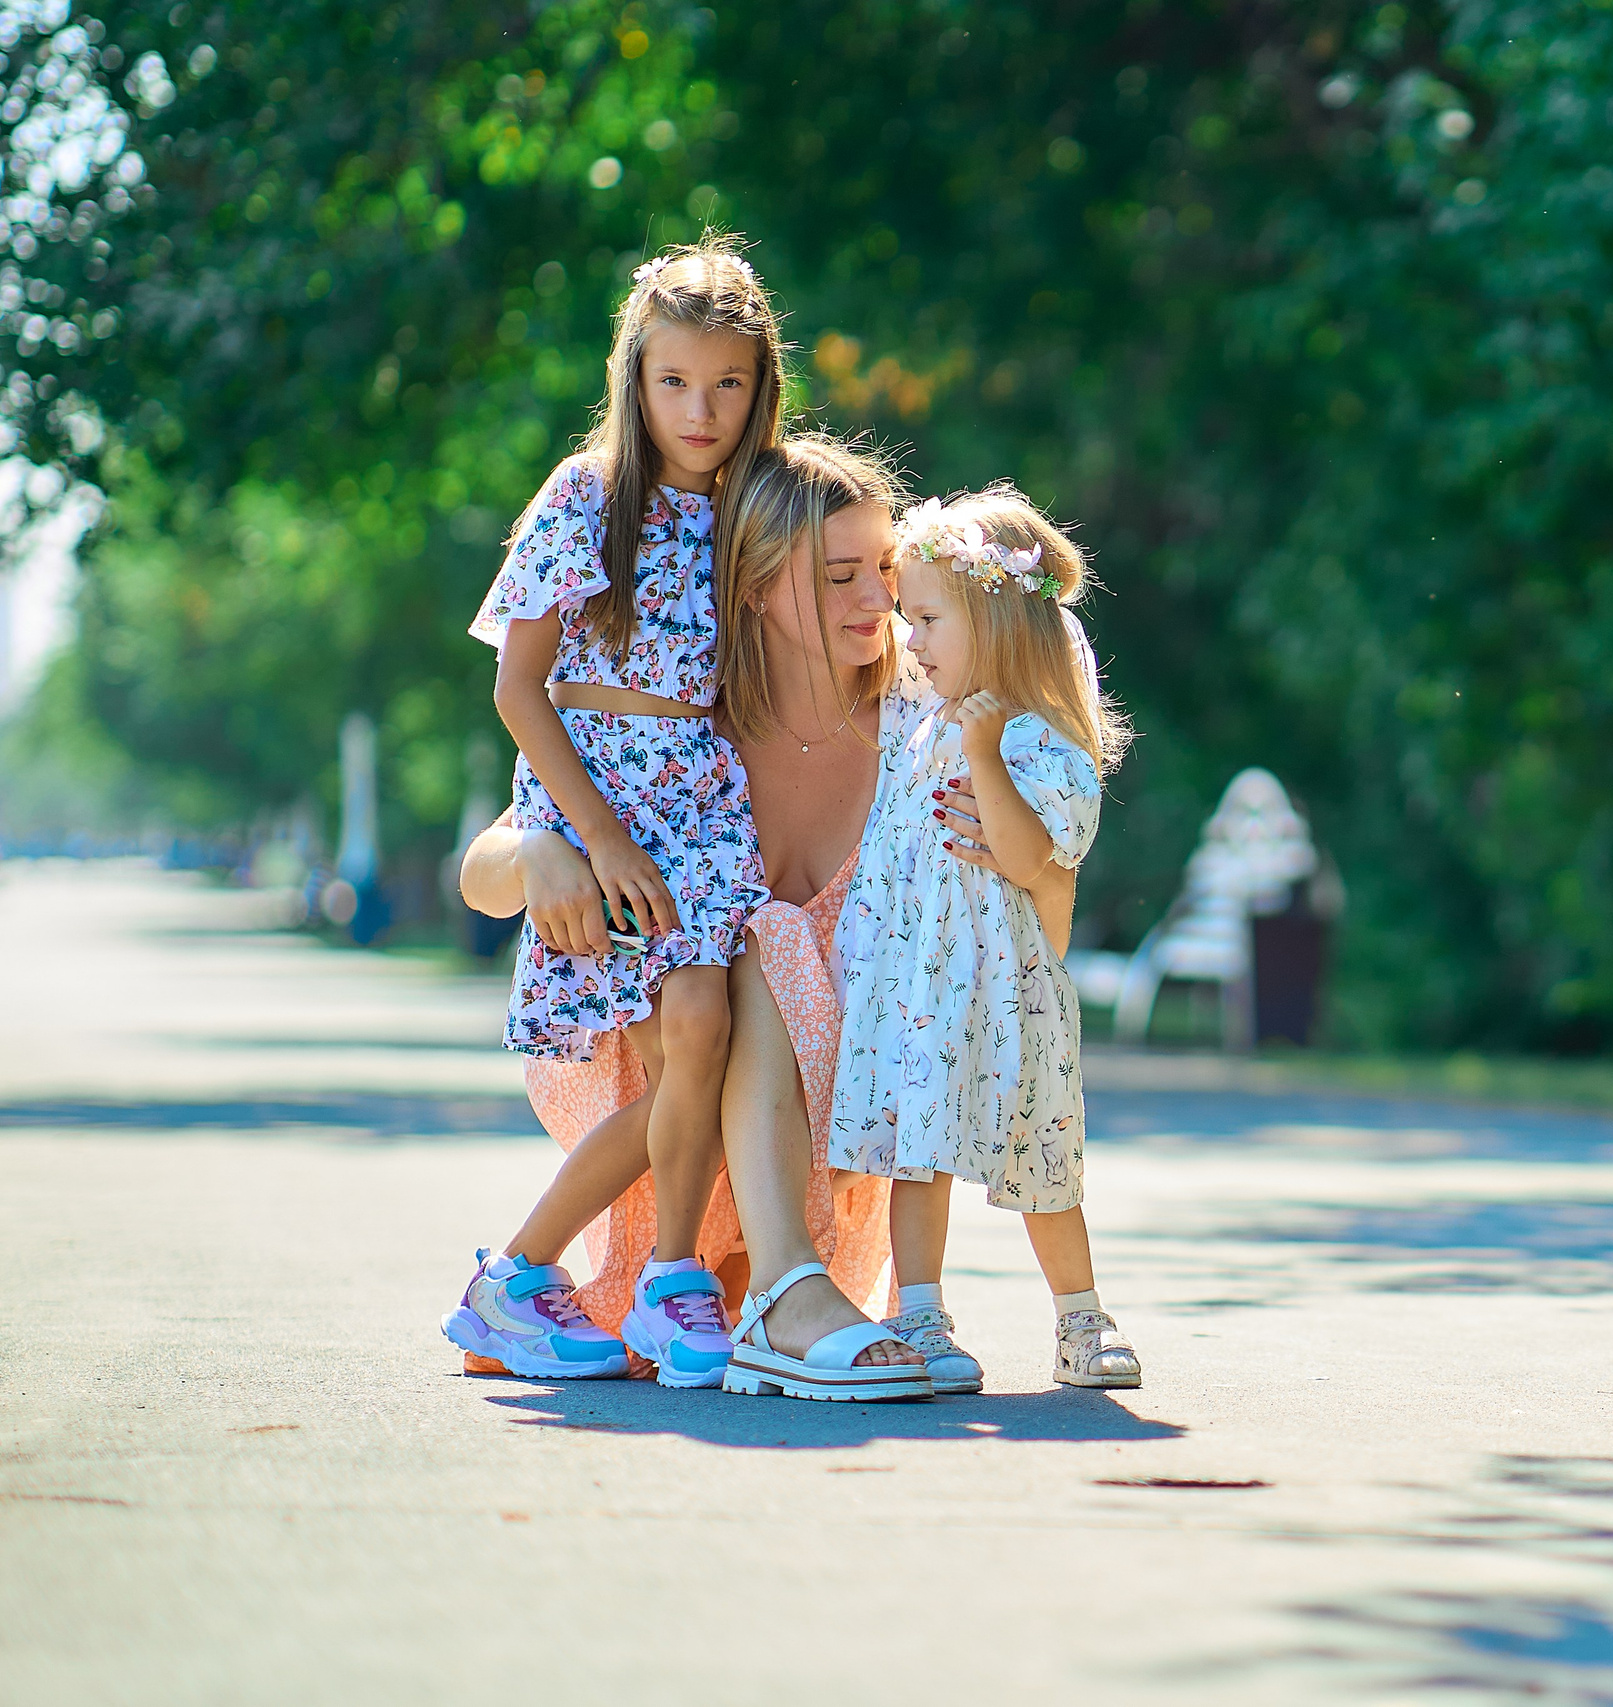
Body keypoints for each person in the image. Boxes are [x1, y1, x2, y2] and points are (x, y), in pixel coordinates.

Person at [461, 439, 1069, 1397]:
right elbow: (482, 875)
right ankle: (769, 1288)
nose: (876, 603)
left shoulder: (926, 730)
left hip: (841, 1127)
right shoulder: (685, 740)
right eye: (839, 577)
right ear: (750, 588)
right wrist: (543, 851)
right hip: (673, 1092)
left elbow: (1045, 894)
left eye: (885, 573)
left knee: (769, 941)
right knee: (759, 933)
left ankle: (784, 1284)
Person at [442, 237, 783, 1391]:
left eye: (727, 383)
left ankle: (668, 1282)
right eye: (675, 381)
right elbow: (515, 687)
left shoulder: (754, 506)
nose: (702, 407)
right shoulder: (588, 495)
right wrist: (595, 838)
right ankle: (525, 1275)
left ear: (760, 387)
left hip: (700, 796)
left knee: (702, 1033)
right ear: (635, 381)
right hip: (596, 792)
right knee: (675, 1048)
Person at [830, 484, 1144, 1391]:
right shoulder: (911, 723)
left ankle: (1081, 1319)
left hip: (1008, 995)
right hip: (920, 988)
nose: (911, 638)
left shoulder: (1042, 741)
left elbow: (1026, 857)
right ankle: (919, 1313)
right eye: (908, 617)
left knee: (1044, 1163)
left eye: (928, 618)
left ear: (999, 622)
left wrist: (985, 750)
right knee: (915, 1161)